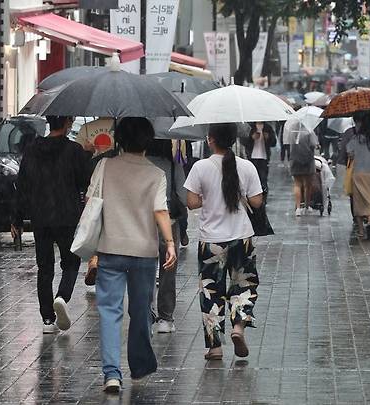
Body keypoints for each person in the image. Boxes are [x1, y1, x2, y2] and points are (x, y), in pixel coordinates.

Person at [92, 117, 177, 393]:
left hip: (110, 248)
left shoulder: (105, 166)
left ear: (120, 139)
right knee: (141, 310)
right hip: (143, 252)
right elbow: (160, 211)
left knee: (109, 311)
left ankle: (111, 374)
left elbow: (91, 203)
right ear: (147, 141)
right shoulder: (155, 174)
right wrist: (170, 243)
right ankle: (139, 365)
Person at [184, 123, 263, 360]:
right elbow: (257, 202)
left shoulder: (200, 167)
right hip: (242, 237)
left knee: (211, 291)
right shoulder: (246, 166)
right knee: (244, 285)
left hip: (211, 241)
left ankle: (215, 347)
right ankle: (238, 327)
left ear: (210, 140)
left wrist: (208, 197)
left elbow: (191, 202)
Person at [13, 115, 91, 334]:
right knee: (71, 262)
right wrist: (88, 155)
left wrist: (17, 219)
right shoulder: (74, 150)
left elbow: (23, 185)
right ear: (67, 122)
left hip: (40, 216)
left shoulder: (32, 149)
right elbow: (85, 181)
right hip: (66, 216)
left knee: (45, 267)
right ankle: (62, 298)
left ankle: (47, 318)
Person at [146, 139, 186, 334]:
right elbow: (184, 197)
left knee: (145, 266)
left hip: (142, 220)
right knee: (168, 269)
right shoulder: (173, 164)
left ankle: (146, 311)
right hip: (167, 220)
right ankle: (165, 318)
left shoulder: (140, 163)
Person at [285, 117, 318, 216]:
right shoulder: (309, 130)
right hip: (308, 160)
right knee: (308, 184)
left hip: (295, 159)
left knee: (297, 184)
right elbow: (313, 144)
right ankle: (307, 206)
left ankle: (298, 208)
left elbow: (288, 143)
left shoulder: (291, 130)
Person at [243, 122, 277, 196]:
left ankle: (263, 198)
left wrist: (268, 138)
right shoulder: (250, 127)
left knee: (263, 179)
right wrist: (251, 137)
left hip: (264, 158)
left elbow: (274, 143)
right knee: (252, 179)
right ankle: (252, 197)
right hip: (252, 158)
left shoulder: (268, 127)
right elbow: (243, 141)